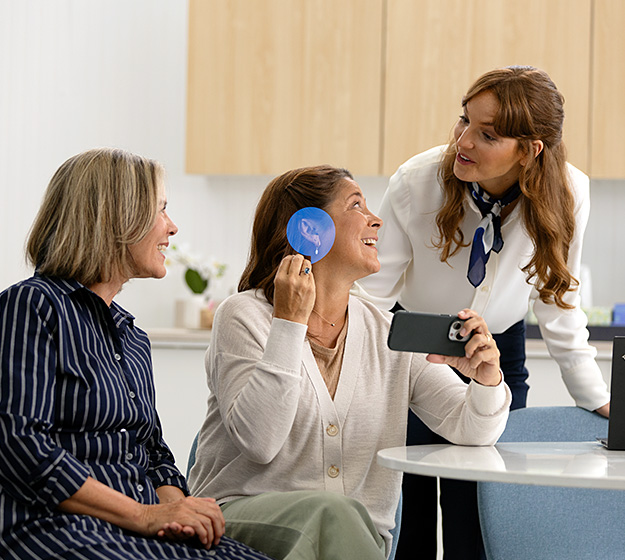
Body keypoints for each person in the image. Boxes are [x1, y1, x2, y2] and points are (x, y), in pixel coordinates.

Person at [187, 165, 511, 560]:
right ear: (310, 228)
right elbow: (259, 442)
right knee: (330, 513)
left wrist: (486, 379)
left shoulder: (388, 331)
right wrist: (289, 324)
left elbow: (472, 431)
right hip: (238, 522)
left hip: (356, 537)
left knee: (335, 516)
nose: (376, 220)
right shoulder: (244, 316)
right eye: (356, 205)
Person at [354, 66, 611, 559]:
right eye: (463, 121)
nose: (462, 141)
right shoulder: (418, 181)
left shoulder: (570, 191)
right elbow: (370, 296)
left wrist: (597, 398)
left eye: (487, 134)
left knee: (483, 507)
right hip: (413, 350)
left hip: (497, 353)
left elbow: (558, 300)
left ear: (530, 149)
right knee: (408, 507)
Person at [0, 148, 272, 560]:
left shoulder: (132, 337)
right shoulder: (32, 306)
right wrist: (143, 515)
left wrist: (176, 510)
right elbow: (19, 443)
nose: (172, 226)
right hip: (54, 527)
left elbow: (152, 451)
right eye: (160, 209)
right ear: (116, 216)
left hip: (135, 531)